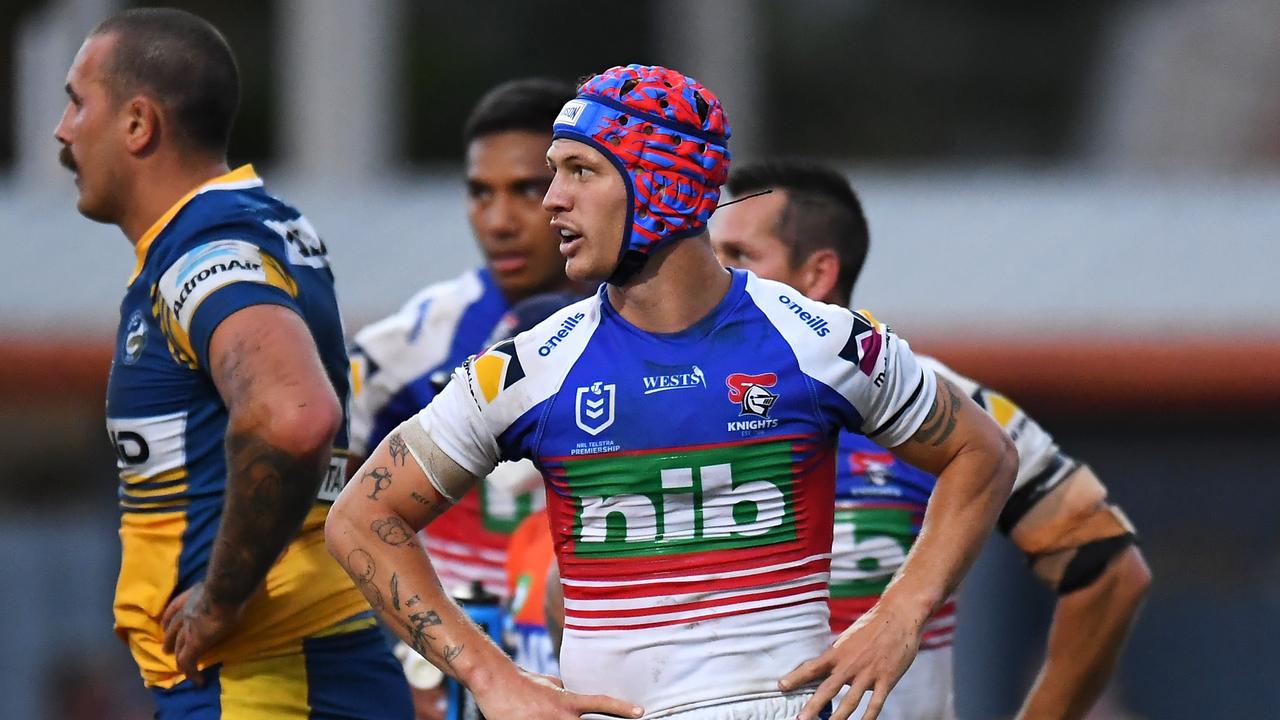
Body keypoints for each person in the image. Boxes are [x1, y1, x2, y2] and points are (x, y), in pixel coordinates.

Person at [327, 64, 1017, 720]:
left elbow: (983, 455)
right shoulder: (529, 365)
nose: (551, 201)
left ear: (663, 182)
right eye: (554, 174)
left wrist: (901, 614)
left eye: (580, 171)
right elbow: (361, 518)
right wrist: (491, 678)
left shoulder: (820, 339)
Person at [55, 8, 412, 718]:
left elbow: (294, 417)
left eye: (75, 101)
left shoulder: (205, 250)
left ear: (137, 123)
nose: (63, 130)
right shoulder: (254, 224)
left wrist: (222, 600)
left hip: (262, 682)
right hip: (281, 674)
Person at [712, 160, 1152, 720]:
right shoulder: (659, 396)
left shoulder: (944, 402)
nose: (718, 279)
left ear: (819, 274)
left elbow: (1109, 570)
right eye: (713, 256)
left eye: (740, 257)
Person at [347, 77, 578, 598]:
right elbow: (322, 491)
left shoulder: (661, 321)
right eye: (480, 193)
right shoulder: (414, 341)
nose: (498, 222)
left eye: (527, 189)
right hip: (467, 664)